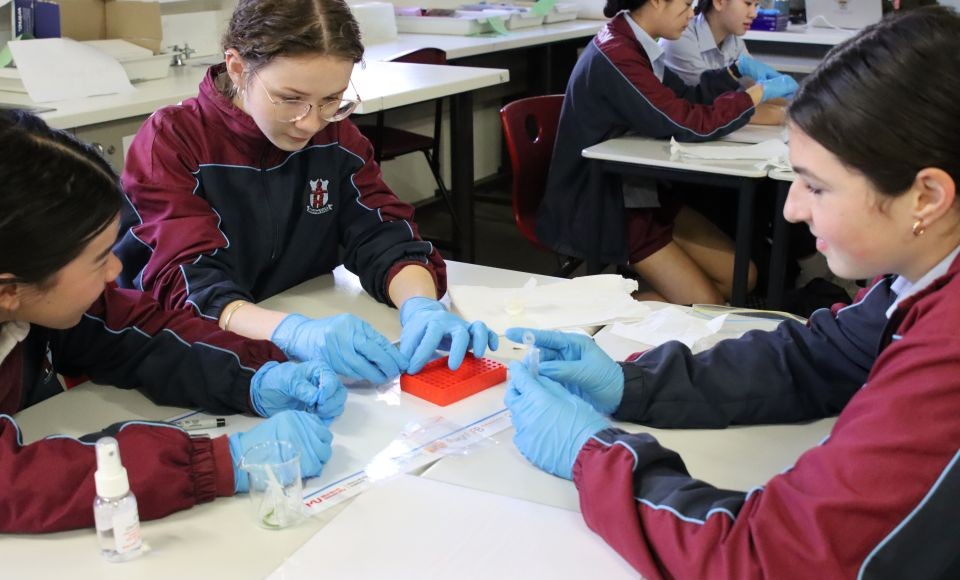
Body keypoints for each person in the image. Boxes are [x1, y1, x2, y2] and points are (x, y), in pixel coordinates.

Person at [506, 7, 960, 577]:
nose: (793, 208)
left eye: (817, 186)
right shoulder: (925, 276)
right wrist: (633, 383)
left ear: (926, 197)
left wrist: (595, 456)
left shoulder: (949, 348)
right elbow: (825, 355)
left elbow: (767, 558)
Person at [0, 110, 346, 533]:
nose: (115, 271)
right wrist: (217, 462)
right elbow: (14, 484)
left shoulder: (36, 291)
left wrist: (253, 377)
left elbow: (138, 334)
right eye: (97, 261)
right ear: (8, 290)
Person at [114, 0, 496, 379]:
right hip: (192, 355)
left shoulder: (336, 137)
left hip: (296, 342)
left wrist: (420, 305)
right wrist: (290, 332)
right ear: (237, 67)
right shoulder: (173, 141)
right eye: (290, 100)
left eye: (332, 100)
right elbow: (183, 282)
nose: (310, 123)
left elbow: (381, 233)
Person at [537, 0, 797, 305]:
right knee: (709, 302)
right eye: (686, 4)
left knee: (742, 277)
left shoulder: (637, 45)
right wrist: (754, 95)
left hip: (641, 190)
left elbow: (687, 99)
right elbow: (687, 122)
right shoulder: (617, 55)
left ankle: (648, 309)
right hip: (603, 202)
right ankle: (592, 315)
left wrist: (733, 72)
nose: (692, 14)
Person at [661, 0, 792, 125]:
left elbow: (751, 89)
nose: (754, 13)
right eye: (747, 3)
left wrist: (796, 100)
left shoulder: (734, 42)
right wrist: (785, 115)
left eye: (756, 5)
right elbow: (712, 105)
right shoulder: (680, 37)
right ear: (719, 2)